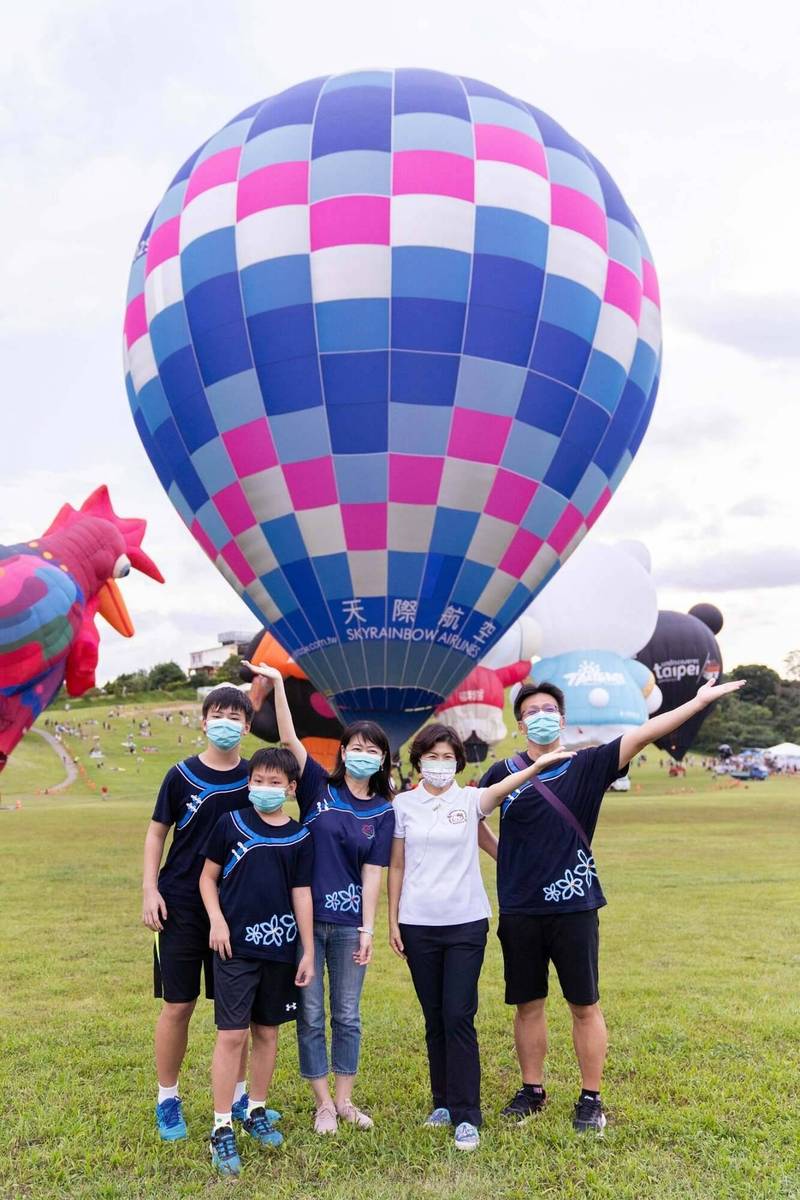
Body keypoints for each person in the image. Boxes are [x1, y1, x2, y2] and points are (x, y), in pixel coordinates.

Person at [479, 675, 745, 1135]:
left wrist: (697, 703)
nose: (541, 718)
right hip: (520, 907)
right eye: (531, 713)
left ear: (562, 719)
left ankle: (591, 1098)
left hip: (575, 905)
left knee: (584, 1004)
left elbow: (646, 732)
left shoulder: (590, 763)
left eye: (549, 711)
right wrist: (503, 854)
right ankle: (532, 1090)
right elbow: (472, 816)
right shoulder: (501, 772)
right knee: (528, 1004)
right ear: (520, 724)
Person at [388, 723, 572, 1152]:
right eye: (431, 756)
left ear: (458, 761)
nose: (439, 764)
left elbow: (502, 788)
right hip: (418, 924)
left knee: (458, 1014)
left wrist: (537, 765)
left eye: (447, 756)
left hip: (466, 923)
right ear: (418, 761)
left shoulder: (470, 800)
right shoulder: (403, 806)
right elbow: (396, 865)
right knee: (434, 1018)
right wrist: (393, 920)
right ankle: (443, 1103)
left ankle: (468, 1114)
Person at [243, 660, 395, 1134]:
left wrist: (370, 927)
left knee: (347, 1014)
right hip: (304, 923)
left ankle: (346, 1100)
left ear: (382, 758)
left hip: (350, 925)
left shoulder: (384, 810)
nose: (362, 754)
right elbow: (288, 738)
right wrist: (279, 685)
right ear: (342, 752)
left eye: (372, 750)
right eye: (355, 747)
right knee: (310, 1014)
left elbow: (373, 874)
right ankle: (323, 1102)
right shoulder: (315, 787)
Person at [142, 685, 268, 1141]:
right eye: (218, 714)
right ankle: (167, 1098)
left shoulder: (257, 777)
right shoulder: (180, 776)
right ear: (203, 720)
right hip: (179, 906)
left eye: (236, 717)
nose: (226, 723)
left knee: (240, 1011)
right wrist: (149, 889)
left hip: (236, 911)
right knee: (179, 1004)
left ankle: (238, 1097)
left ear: (248, 727)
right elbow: (157, 834)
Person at [199, 747, 315, 1177]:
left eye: (274, 783)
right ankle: (221, 1126)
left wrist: (307, 948)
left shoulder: (301, 835)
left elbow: (301, 893)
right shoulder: (230, 823)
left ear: (291, 788)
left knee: (267, 1033)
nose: (265, 789)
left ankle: (256, 1110)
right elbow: (207, 878)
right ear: (249, 783)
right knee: (231, 1036)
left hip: (280, 951)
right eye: (258, 781)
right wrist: (217, 922)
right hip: (234, 949)